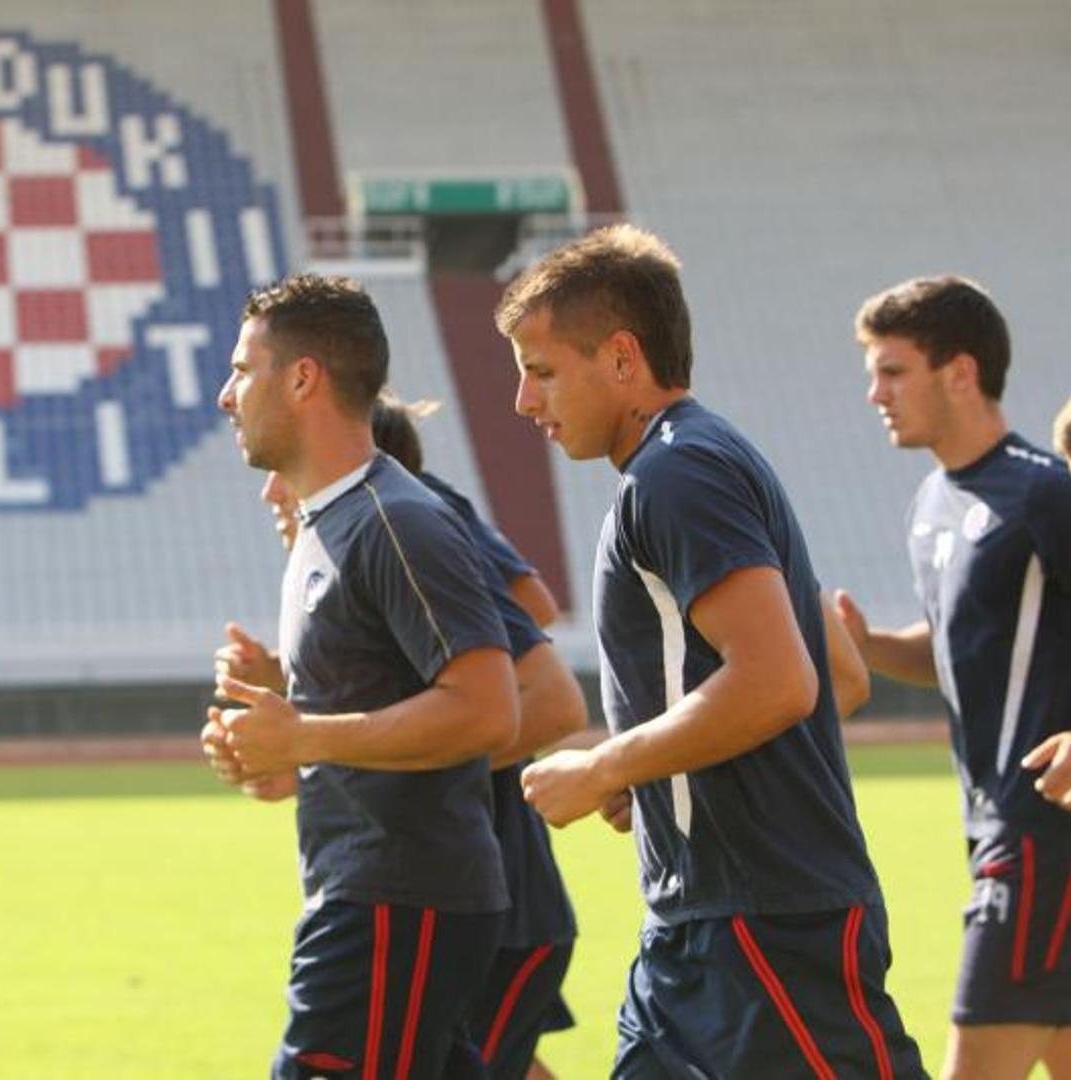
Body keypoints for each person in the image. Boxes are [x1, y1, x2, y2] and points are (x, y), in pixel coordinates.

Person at [495, 224, 925, 1078]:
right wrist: (660, 772)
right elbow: (838, 676)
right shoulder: (698, 459)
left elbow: (781, 683)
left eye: (540, 371)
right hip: (703, 926)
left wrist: (608, 764)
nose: (521, 401)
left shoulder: (676, 476)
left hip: (763, 924)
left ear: (622, 358)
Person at [202, 273, 520, 1078]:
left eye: (241, 370)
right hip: (378, 900)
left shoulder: (393, 519)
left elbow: (488, 710)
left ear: (302, 378)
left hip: (392, 908)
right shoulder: (332, 521)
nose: (225, 395)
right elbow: (378, 705)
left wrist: (303, 737)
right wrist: (281, 746)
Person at [215, 392, 586, 1079]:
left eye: (287, 470)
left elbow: (547, 696)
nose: (272, 491)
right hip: (438, 899)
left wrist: (333, 749)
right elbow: (527, 605)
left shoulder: (412, 529)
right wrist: (301, 718)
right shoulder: (368, 536)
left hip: (469, 901)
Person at [834, 276, 1071, 1079]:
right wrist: (867, 645)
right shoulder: (930, 502)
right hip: (990, 831)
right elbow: (955, 649)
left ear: (959, 372)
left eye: (892, 371)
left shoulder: (1044, 493)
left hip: (1038, 837)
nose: (875, 394)